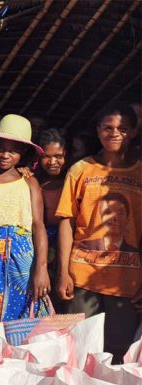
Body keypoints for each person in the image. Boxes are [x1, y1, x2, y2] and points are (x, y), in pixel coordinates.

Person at [57, 104, 142, 362]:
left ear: (133, 132)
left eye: (122, 128)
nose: (115, 134)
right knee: (78, 348)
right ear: (98, 130)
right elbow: (66, 221)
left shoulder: (140, 173)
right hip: (82, 276)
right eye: (108, 128)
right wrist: (62, 273)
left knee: (120, 353)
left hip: (127, 282)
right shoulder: (80, 170)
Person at [0, 115, 50, 326]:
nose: (5, 155)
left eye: (13, 150)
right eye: (1, 148)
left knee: (25, 313)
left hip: (23, 259)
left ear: (22, 153)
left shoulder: (30, 183)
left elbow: (39, 227)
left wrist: (41, 268)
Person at [37, 129, 68, 308]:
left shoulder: (73, 181)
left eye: (58, 156)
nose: (53, 162)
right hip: (43, 248)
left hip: (69, 246)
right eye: (46, 157)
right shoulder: (34, 183)